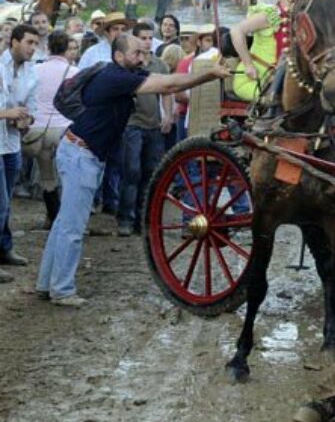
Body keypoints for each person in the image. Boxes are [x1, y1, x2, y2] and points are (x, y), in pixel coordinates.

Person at [35, 33, 231, 307]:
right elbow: (169, 84)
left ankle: (47, 284)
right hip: (81, 154)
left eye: (144, 52)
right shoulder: (117, 77)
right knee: (72, 227)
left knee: (64, 223)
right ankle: (62, 290)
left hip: (78, 151)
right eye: (136, 53)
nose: (142, 57)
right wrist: (208, 75)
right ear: (119, 56)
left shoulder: (116, 74)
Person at [116, 23, 173, 237]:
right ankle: (125, 218)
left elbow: (167, 91)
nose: (148, 42)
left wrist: (168, 115)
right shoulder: (131, 64)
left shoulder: (159, 64)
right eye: (144, 38)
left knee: (152, 172)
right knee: (131, 171)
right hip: (132, 123)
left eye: (150, 38)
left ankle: (145, 219)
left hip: (153, 124)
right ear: (136, 39)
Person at [22, 30, 74, 229]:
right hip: (63, 128)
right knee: (68, 177)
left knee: (47, 177)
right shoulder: (73, 72)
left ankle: (53, 216)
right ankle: (64, 217)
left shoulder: (35, 70)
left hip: (38, 129)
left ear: (47, 47)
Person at [0, 24, 37, 272]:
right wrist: (7, 113)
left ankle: (4, 248)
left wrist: (24, 120)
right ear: (14, 42)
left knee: (7, 201)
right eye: (29, 43)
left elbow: (30, 107)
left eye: (36, 44)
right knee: (0, 203)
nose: (33, 49)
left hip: (11, 141)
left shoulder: (31, 71)